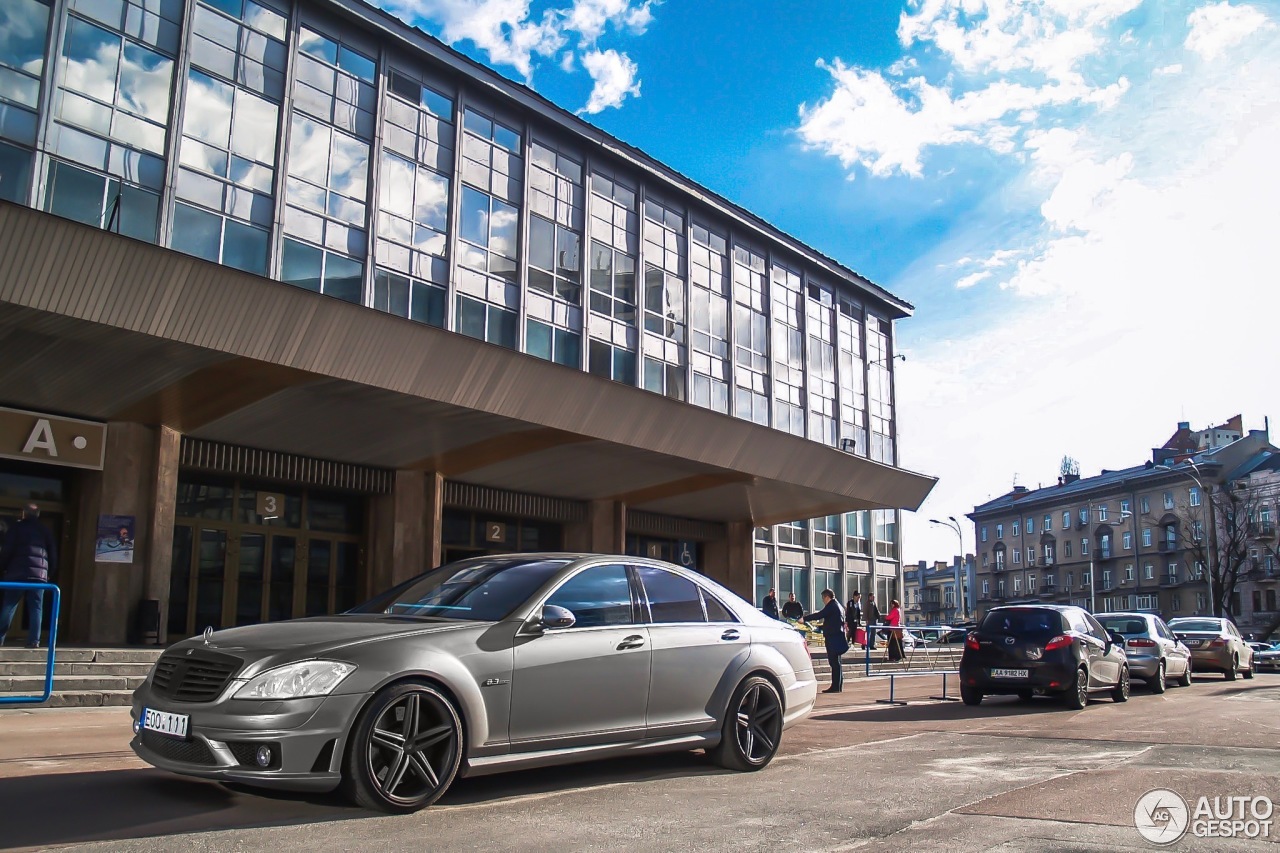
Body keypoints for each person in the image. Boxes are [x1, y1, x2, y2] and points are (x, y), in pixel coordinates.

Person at [0, 503, 56, 649]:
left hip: (16, 574)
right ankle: (33, 641)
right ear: (38, 515)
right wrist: (49, 574)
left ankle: (0, 638)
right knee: (36, 608)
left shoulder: (16, 528)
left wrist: (3, 568)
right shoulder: (45, 530)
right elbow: (52, 553)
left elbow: (7, 550)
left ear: (23, 514)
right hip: (38, 576)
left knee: (9, 606)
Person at [801, 589, 848, 693]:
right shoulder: (839, 606)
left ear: (827, 597)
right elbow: (833, 621)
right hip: (837, 636)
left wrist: (804, 619)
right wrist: (823, 627)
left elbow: (819, 615)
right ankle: (838, 685)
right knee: (837, 662)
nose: (823, 601)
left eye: (823, 598)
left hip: (832, 638)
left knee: (834, 662)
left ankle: (835, 686)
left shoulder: (831, 606)